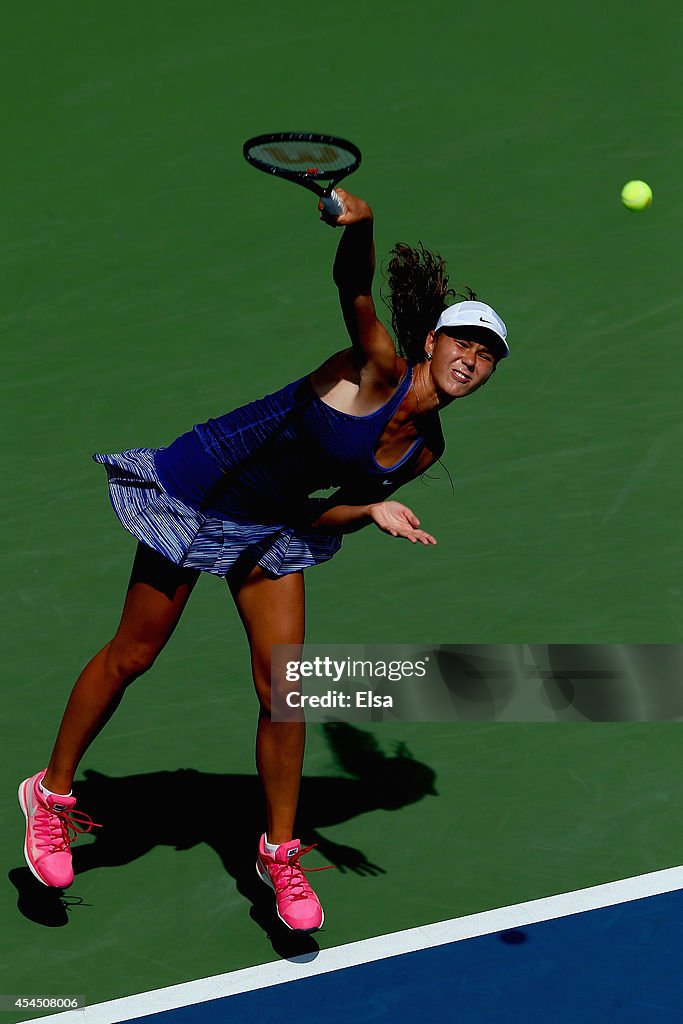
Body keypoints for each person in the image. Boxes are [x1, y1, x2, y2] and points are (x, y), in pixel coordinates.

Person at [18, 188, 509, 934]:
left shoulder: (424, 449)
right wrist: (362, 224)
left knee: (286, 687)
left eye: (487, 356)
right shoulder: (374, 367)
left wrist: (371, 511)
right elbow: (353, 290)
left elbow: (322, 512)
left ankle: (277, 852)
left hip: (271, 520)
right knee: (134, 655)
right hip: (200, 484)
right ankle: (50, 797)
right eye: (463, 344)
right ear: (430, 344)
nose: (471, 360)